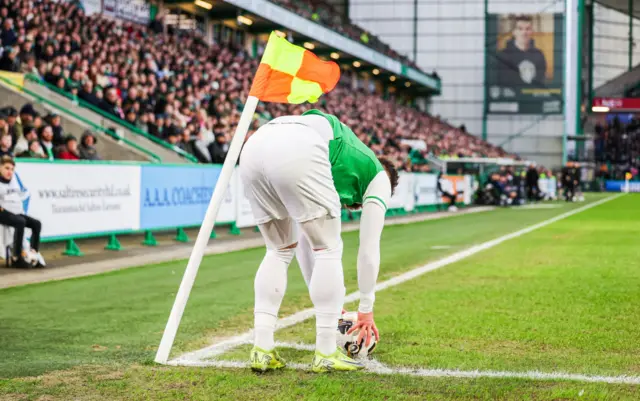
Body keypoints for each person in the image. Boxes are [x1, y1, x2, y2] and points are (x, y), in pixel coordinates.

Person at [240, 109, 398, 373]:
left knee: (278, 250)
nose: (353, 206)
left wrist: (331, 306)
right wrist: (365, 310)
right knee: (329, 248)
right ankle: (325, 353)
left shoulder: (344, 158)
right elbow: (368, 250)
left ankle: (262, 349)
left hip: (256, 144)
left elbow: (303, 241)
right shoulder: (378, 177)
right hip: (297, 146)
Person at [0, 156, 42, 268]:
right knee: (20, 222)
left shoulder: (14, 180)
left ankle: (33, 254)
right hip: (2, 211)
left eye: (12, 169)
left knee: (36, 223)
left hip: (14, 211)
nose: (9, 171)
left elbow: (22, 194)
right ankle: (16, 258)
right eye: (6, 168)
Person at [496, 15, 547, 89]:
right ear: (514, 32)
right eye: (520, 29)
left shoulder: (539, 55)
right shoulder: (503, 56)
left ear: (532, 31)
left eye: (528, 29)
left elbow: (540, 82)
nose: (524, 32)